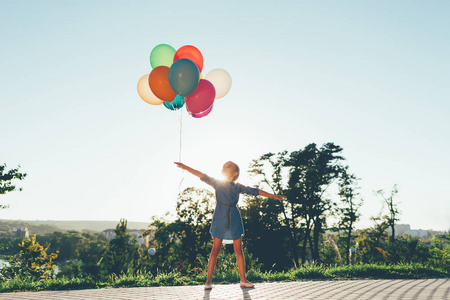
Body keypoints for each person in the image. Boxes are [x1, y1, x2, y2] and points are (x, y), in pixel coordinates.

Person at [174, 161, 286, 289]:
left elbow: (256, 191)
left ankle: (243, 280)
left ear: (234, 173)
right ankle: (208, 281)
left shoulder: (238, 186)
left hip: (234, 218)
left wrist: (274, 196)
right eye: (224, 166)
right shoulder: (217, 183)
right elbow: (201, 175)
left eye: (228, 166)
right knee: (215, 249)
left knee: (238, 250)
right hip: (219, 217)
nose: (224, 167)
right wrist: (184, 166)